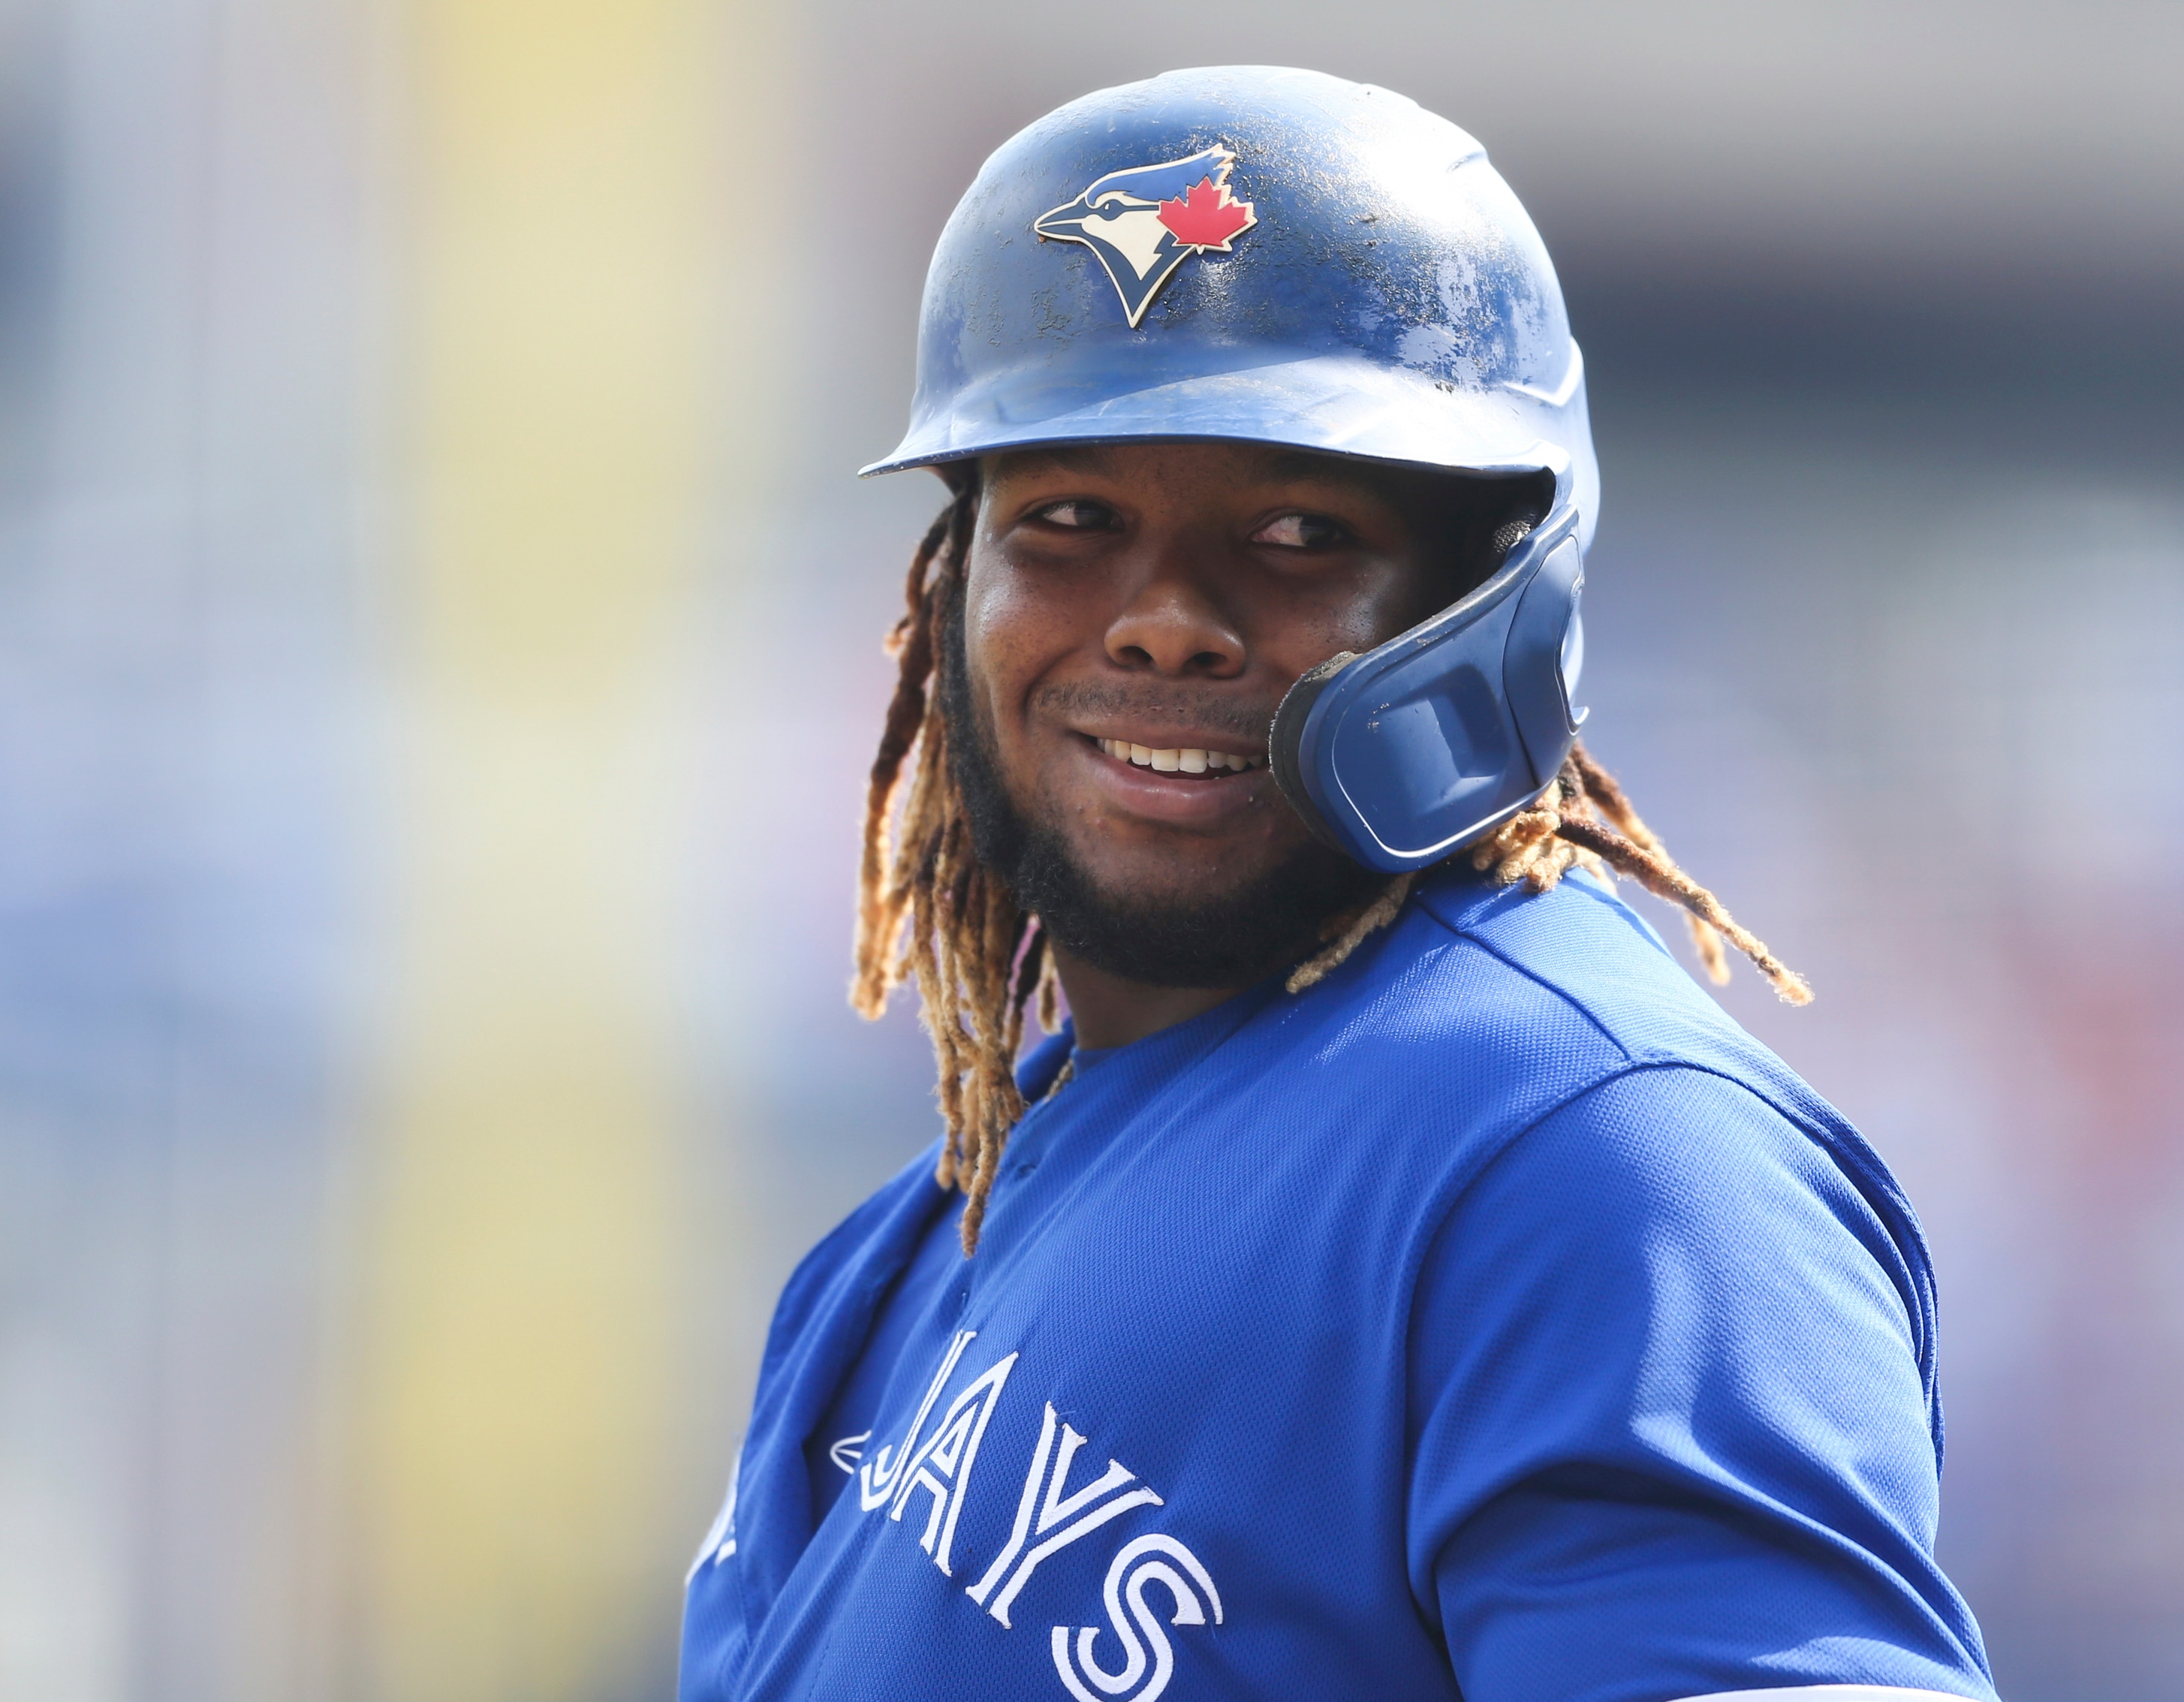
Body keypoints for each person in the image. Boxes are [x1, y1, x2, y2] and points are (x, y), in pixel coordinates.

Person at [679, 66, 1998, 1702]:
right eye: (1070, 519)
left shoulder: (1598, 1158)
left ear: (1489, 611)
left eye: (1297, 531)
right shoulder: (911, 1237)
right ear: (950, 600)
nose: (1164, 619)